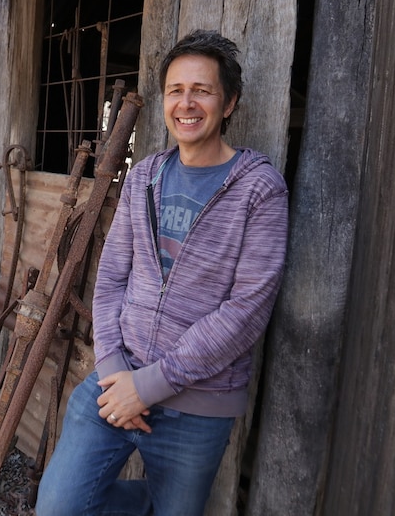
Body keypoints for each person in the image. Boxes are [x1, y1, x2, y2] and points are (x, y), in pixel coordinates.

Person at [35, 30, 289, 516]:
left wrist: (150, 386)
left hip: (199, 401)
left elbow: (247, 311)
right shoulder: (144, 177)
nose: (186, 103)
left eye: (202, 90)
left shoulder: (259, 189)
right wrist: (113, 371)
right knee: (59, 508)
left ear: (229, 102)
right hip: (115, 380)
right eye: (176, 90)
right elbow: (110, 280)